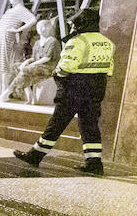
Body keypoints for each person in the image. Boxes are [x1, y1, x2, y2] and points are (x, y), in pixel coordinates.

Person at [13, 9, 114, 175]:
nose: (73, 25)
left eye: (75, 22)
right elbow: (109, 68)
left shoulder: (78, 41)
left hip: (75, 87)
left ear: (82, 23)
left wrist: (57, 75)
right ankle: (94, 163)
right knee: (89, 125)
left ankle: (35, 155)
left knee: (57, 123)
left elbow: (67, 66)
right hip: (97, 87)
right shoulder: (107, 42)